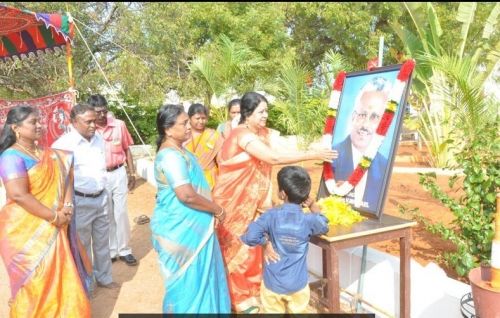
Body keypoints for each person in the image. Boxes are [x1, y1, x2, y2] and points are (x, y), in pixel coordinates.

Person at [212, 91, 337, 313]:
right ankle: (238, 297)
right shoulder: (242, 134)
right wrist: (312, 154)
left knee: (254, 249)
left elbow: (283, 148)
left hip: (254, 201)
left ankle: (251, 292)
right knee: (237, 246)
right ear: (247, 114)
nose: (265, 115)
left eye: (266, 111)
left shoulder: (261, 134)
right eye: (261, 111)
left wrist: (318, 145)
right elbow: (273, 158)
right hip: (234, 201)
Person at [0, 105, 91, 316]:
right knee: (35, 279)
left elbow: (67, 174)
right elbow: (18, 195)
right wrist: (54, 216)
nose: (40, 125)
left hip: (56, 223)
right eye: (34, 122)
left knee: (61, 274)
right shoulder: (10, 157)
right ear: (16, 128)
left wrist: (67, 207)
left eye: (40, 120)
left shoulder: (52, 154)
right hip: (24, 230)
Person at [151, 104, 230, 313]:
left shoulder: (181, 151)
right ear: (168, 129)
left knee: (202, 278)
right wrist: (217, 210)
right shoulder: (170, 156)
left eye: (188, 122)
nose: (189, 127)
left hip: (195, 225)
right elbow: (186, 195)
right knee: (187, 282)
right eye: (184, 123)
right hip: (180, 230)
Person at [241, 166, 329, 313]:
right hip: (298, 284)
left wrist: (265, 243)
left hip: (272, 284)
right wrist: (313, 205)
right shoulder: (309, 220)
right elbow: (323, 224)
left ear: (282, 194)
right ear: (305, 195)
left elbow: (250, 236)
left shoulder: (270, 216)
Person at [52, 103, 119, 291]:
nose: (93, 125)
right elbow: (59, 179)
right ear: (74, 122)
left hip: (102, 198)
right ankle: (86, 285)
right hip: (79, 201)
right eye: (88, 121)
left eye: (94, 121)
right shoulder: (62, 145)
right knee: (81, 245)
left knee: (102, 242)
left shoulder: (98, 138)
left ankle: (105, 278)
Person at [88, 94, 138, 266]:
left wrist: (132, 173)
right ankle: (111, 250)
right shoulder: (89, 129)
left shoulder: (119, 125)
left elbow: (127, 150)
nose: (101, 115)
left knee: (121, 212)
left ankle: (124, 249)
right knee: (106, 213)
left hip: (118, 173)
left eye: (104, 111)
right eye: (97, 112)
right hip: (100, 175)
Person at [332, 76, 391, 210]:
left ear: (383, 125)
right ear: (353, 117)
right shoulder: (332, 156)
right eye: (362, 115)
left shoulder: (383, 166)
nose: (365, 124)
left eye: (375, 117)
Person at [184, 103, 224, 190]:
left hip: (210, 179)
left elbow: (220, 159)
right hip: (188, 178)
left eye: (203, 118)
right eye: (197, 118)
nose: (201, 121)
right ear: (189, 118)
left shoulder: (213, 135)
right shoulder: (183, 135)